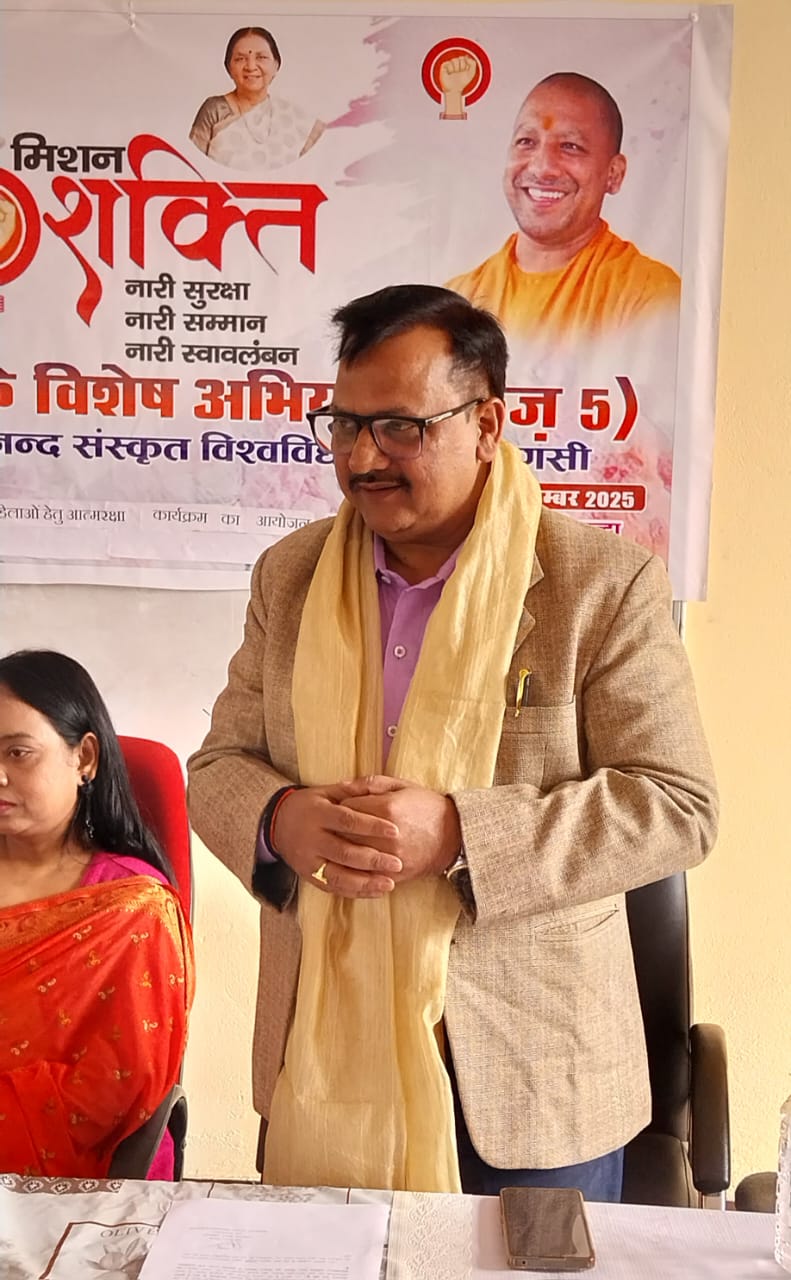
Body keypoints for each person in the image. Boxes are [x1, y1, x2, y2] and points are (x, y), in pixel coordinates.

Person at [187, 284, 717, 1201]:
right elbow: (218, 767)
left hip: (531, 1083)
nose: (362, 458)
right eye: (344, 425)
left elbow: (676, 806)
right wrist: (277, 818)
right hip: (323, 1060)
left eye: (400, 427)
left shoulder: (600, 584)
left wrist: (461, 834)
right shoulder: (291, 575)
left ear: (486, 424)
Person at [0, 650, 194, 1179]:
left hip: (79, 1175)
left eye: (18, 753)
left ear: (84, 758)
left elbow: (116, 1090)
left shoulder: (131, 906)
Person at [446, 72, 680, 340]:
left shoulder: (650, 298)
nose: (542, 168)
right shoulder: (460, 301)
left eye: (570, 146)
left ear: (614, 174)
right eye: (526, 142)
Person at [189, 26, 325, 171]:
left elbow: (310, 171)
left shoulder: (295, 119)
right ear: (229, 68)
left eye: (261, 57)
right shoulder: (214, 110)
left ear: (276, 65)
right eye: (240, 59)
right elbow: (192, 167)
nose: (251, 66)